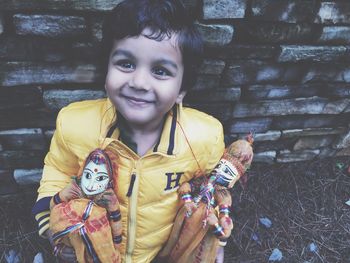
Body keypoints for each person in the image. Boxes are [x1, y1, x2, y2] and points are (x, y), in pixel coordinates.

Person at [32, 0, 225, 262]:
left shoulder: (204, 137)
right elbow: (58, 169)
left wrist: (207, 235)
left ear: (181, 89)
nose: (139, 82)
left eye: (160, 70)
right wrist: (53, 226)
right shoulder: (75, 124)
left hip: (160, 251)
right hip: (94, 246)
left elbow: (209, 187)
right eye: (126, 64)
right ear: (106, 69)